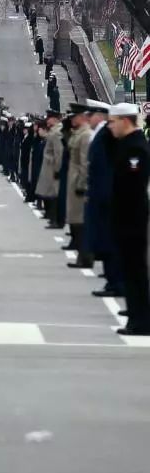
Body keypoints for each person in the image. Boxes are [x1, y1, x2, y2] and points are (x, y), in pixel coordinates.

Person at [106, 103, 150, 334]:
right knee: (130, 269)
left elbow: (132, 187)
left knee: (135, 272)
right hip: (126, 217)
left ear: (125, 121)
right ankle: (136, 316)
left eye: (113, 122)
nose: (110, 127)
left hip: (132, 218)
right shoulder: (127, 145)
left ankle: (140, 320)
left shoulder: (135, 149)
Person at [84, 101, 123, 297]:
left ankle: (115, 282)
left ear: (101, 115)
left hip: (105, 198)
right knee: (104, 239)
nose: (88, 118)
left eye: (91, 115)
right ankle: (111, 280)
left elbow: (107, 168)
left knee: (109, 240)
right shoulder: (101, 134)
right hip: (100, 196)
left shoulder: (106, 135)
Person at [66, 103, 94, 267]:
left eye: (75, 116)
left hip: (79, 183)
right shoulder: (79, 133)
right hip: (74, 180)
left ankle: (85, 257)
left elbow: (85, 162)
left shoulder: (85, 135)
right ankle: (81, 255)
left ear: (83, 117)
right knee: (77, 222)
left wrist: (82, 184)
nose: (72, 120)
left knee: (82, 223)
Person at [36, 109, 64, 227]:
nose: (47, 120)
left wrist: (58, 169)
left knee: (54, 195)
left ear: (55, 119)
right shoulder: (54, 131)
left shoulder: (57, 132)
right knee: (50, 194)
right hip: (50, 167)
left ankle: (56, 220)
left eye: (50, 117)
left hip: (53, 168)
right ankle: (53, 218)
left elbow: (58, 152)